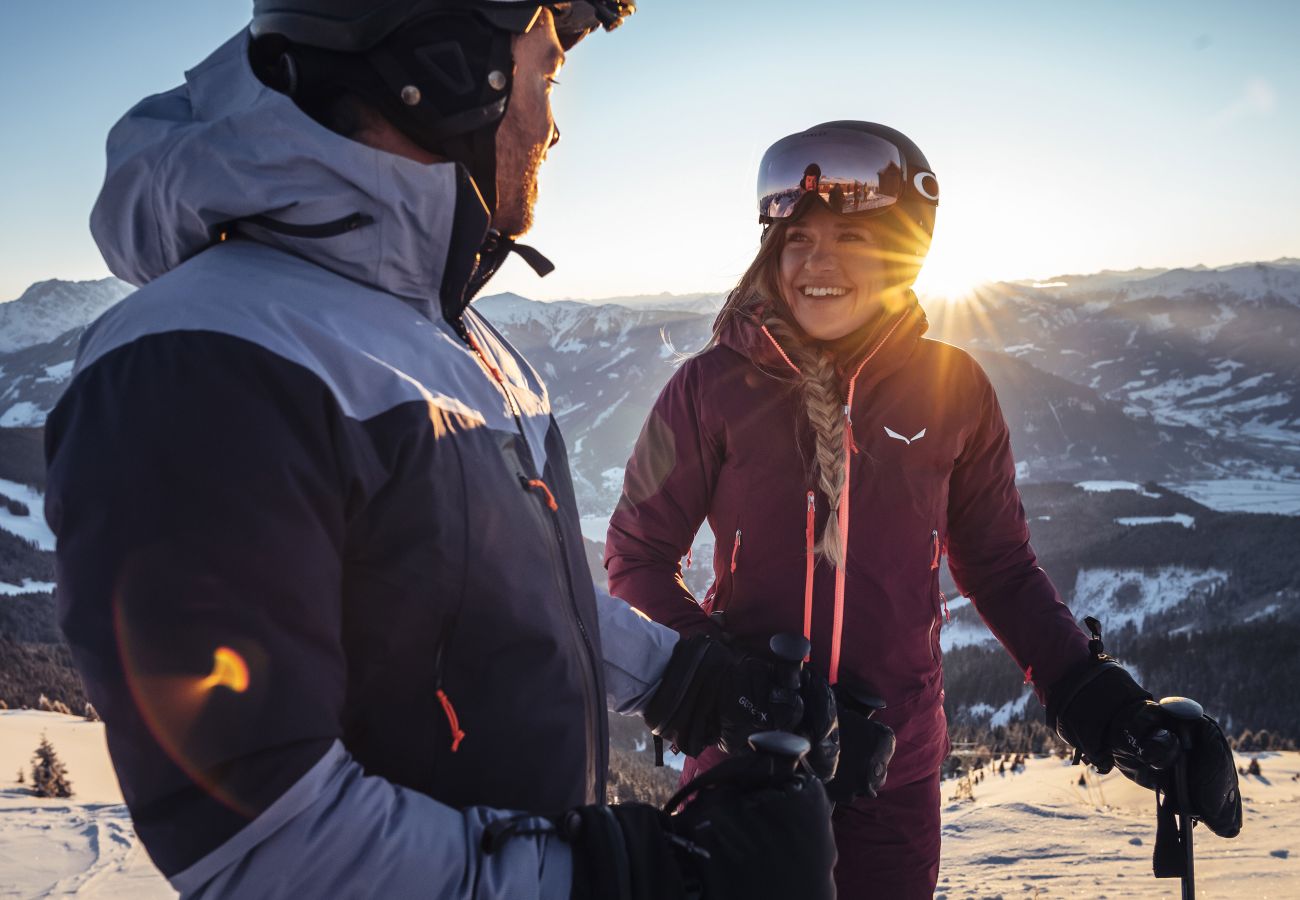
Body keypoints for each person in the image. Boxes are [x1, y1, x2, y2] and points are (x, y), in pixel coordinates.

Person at [44, 4, 839, 898]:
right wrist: (624, 882)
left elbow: (518, 596)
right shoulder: (203, 363)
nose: (552, 123)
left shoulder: (467, 346)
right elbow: (259, 839)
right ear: (450, 66)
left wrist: (688, 680)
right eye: (546, 75)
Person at [605, 121, 1242, 898]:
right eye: (798, 237)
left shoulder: (955, 390)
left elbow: (1000, 567)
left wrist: (1097, 699)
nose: (818, 261)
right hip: (746, 760)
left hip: (892, 778)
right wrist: (725, 679)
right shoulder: (708, 390)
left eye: (850, 236)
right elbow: (636, 554)